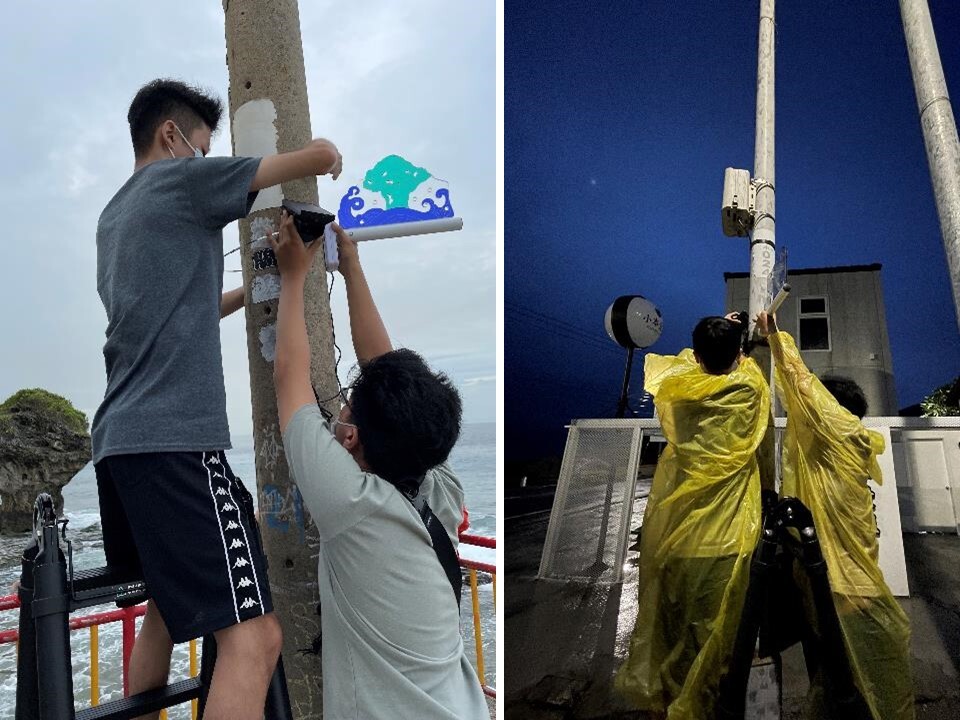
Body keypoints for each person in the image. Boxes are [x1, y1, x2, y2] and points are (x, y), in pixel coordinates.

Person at [91, 78, 342, 720]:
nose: (206, 161)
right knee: (258, 638)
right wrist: (323, 154)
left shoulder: (115, 218)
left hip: (120, 443)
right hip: (175, 440)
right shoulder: (178, 181)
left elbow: (187, 307)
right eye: (201, 147)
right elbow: (286, 165)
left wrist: (256, 289)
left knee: (163, 615)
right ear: (171, 136)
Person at [270, 211, 489, 719]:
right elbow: (386, 373)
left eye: (347, 408)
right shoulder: (438, 483)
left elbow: (288, 376)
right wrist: (351, 267)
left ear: (351, 437)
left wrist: (293, 276)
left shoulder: (350, 502)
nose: (342, 410)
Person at [757, 311, 914, 719]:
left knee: (842, 680)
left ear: (835, 410)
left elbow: (803, 386)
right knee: (838, 676)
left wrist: (774, 336)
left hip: (838, 585)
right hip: (847, 579)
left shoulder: (836, 433)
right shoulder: (851, 443)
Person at [615, 313, 771, 718]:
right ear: (738, 353)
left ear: (699, 355)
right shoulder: (750, 387)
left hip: (678, 539)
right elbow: (746, 363)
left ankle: (674, 708)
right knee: (722, 636)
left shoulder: (678, 394)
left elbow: (681, 362)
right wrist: (739, 336)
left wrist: (719, 332)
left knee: (675, 635)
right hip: (730, 540)